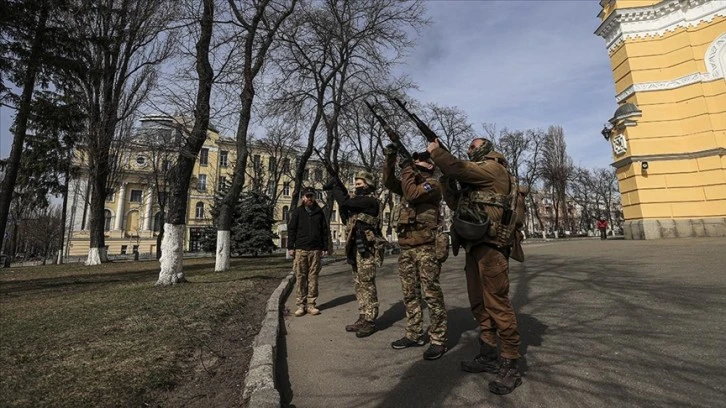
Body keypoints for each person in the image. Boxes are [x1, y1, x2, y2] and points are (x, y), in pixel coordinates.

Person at [427, 137, 523, 395]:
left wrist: (438, 153)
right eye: (468, 146)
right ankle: (488, 354)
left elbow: (460, 168)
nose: (469, 149)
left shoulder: (493, 169)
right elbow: (457, 205)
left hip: (492, 248)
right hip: (475, 246)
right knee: (478, 303)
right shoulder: (478, 180)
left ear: (486, 148)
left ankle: (510, 364)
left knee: (497, 304)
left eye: (473, 145)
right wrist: (446, 182)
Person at [382, 145, 449, 360]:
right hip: (407, 248)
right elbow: (388, 182)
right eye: (414, 159)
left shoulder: (432, 184)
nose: (417, 161)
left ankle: (438, 338)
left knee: (431, 294)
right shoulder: (410, 180)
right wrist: (392, 158)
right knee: (410, 294)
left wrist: (407, 168)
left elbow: (411, 193)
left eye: (421, 159)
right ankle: (414, 333)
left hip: (427, 247)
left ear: (430, 164)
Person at [323, 171, 382, 338]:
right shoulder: (356, 203)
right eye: (355, 184)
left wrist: (335, 187)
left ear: (368, 185)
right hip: (355, 248)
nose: (356, 187)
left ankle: (370, 320)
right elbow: (345, 214)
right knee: (358, 284)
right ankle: (362, 316)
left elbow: (345, 202)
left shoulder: (370, 201)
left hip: (366, 250)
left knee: (367, 284)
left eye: (359, 184)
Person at [287, 186, 330, 317]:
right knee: (300, 277)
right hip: (301, 249)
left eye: (312, 196)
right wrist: (290, 247)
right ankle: (301, 305)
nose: (310, 198)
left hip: (315, 250)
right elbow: (292, 230)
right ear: (303, 198)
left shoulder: (319, 212)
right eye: (307, 196)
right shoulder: (298, 212)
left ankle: (311, 305)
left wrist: (325, 247)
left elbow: (324, 230)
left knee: (313, 278)